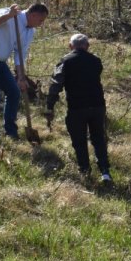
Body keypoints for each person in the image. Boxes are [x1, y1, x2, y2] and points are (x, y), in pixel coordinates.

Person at [0, 2, 49, 143]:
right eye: (40, 20)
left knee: (14, 92)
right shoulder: (10, 14)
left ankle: (11, 132)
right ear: (33, 15)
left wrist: (21, 77)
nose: (41, 24)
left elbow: (20, 54)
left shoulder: (30, 31)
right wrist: (8, 16)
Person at [44, 33, 110, 183]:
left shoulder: (65, 62)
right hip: (98, 106)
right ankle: (105, 171)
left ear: (70, 46)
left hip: (77, 108)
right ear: (87, 46)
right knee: (98, 138)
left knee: (79, 140)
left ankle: (85, 170)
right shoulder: (96, 61)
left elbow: (56, 85)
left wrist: (50, 106)